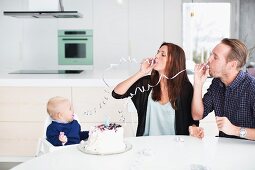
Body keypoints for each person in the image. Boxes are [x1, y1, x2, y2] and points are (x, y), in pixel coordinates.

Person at [112, 42, 204, 138]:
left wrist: (194, 129)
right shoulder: (146, 83)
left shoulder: (185, 88)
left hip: (175, 147)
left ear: (174, 61)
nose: (156, 56)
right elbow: (116, 93)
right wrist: (141, 72)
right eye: (157, 52)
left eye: (163, 54)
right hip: (146, 147)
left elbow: (193, 120)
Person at [192, 38, 255, 140]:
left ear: (232, 65)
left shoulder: (252, 87)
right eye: (211, 54)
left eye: (215, 57)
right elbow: (197, 115)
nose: (209, 60)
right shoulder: (216, 84)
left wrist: (235, 130)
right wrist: (198, 84)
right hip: (223, 150)